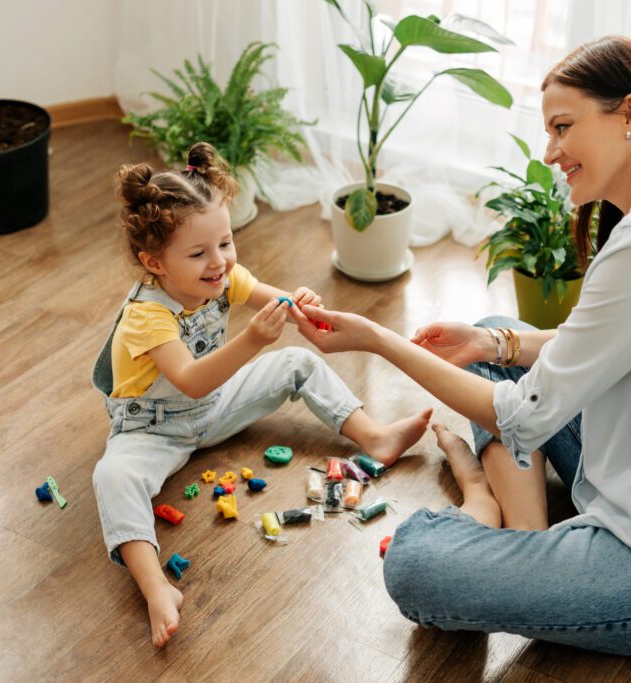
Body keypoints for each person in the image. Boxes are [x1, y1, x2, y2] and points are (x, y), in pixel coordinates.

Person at [289, 36, 631, 658]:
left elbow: (524, 415)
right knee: (488, 337)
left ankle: (495, 507)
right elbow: (605, 342)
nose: (551, 152)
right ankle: (531, 534)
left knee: (415, 564)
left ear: (630, 116)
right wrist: (493, 341)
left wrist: (377, 340)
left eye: (563, 127)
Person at [91, 142, 431, 648]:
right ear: (153, 261)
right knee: (112, 476)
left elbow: (277, 301)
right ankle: (155, 585)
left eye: (226, 243)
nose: (219, 262)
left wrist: (301, 305)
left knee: (295, 362)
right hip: (152, 429)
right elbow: (190, 380)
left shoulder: (224, 276)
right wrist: (252, 338)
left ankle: (374, 437)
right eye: (199, 253)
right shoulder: (147, 315)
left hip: (215, 406)